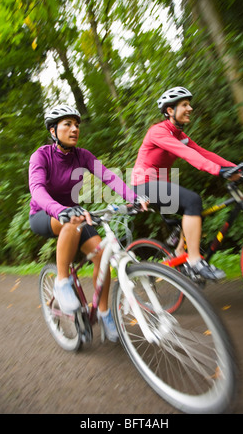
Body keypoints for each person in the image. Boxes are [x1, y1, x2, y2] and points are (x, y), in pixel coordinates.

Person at [29, 104, 147, 342]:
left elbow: (109, 177)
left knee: (102, 258)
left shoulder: (82, 156)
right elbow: (37, 189)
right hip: (44, 215)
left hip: (75, 215)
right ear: (53, 131)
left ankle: (104, 313)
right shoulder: (41, 156)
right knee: (71, 221)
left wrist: (134, 198)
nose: (74, 129)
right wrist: (59, 210)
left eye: (76, 125)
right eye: (67, 124)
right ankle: (62, 283)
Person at [131, 86, 240, 280]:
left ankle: (181, 254)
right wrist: (219, 171)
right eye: (184, 105)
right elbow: (187, 154)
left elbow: (203, 153)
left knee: (194, 212)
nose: (190, 108)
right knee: (193, 200)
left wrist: (235, 168)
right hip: (144, 185)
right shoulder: (158, 132)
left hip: (158, 185)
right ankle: (194, 261)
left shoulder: (180, 136)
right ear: (170, 111)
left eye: (189, 104)